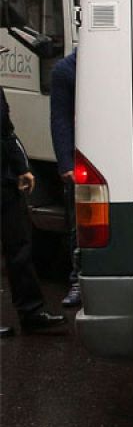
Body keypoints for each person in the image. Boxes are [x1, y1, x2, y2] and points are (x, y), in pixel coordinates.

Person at [1, 89, 67, 337]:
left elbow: (6, 131)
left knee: (19, 246)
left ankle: (32, 312)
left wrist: (21, 167)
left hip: (4, 180)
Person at [51, 50, 80, 309]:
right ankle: (77, 279)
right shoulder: (65, 70)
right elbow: (59, 119)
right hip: (81, 156)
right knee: (78, 224)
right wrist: (66, 163)